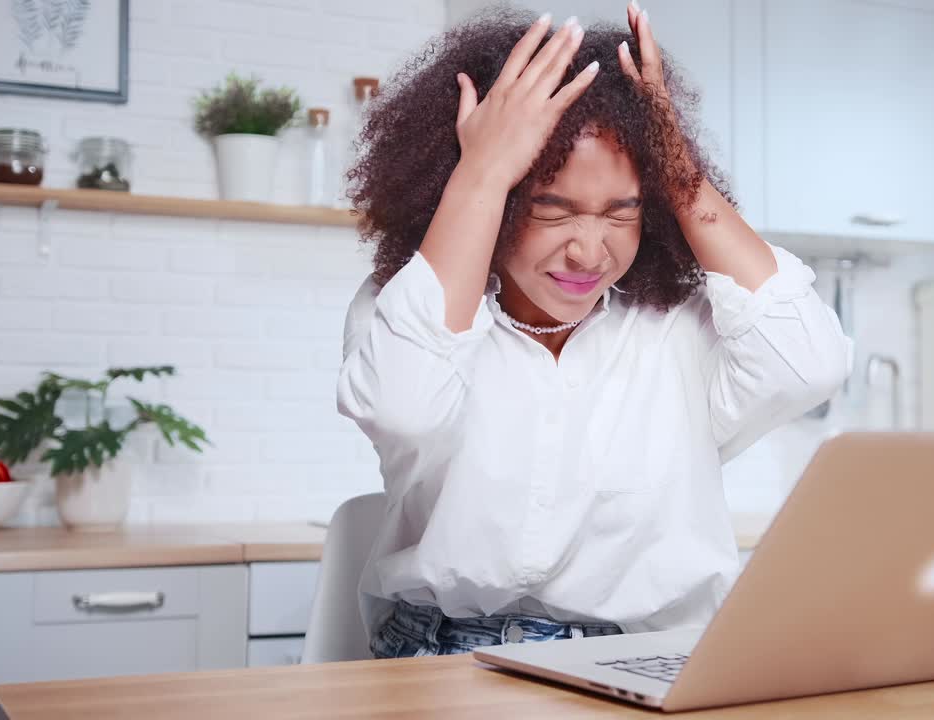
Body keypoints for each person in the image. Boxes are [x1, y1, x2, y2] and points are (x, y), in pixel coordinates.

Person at [337, 3, 853, 659]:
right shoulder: (401, 307)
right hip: (445, 659)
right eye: (551, 211)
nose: (589, 252)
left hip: (652, 657)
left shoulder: (679, 328)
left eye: (621, 212)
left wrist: (679, 167)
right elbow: (404, 412)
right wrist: (483, 172)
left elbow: (810, 365)